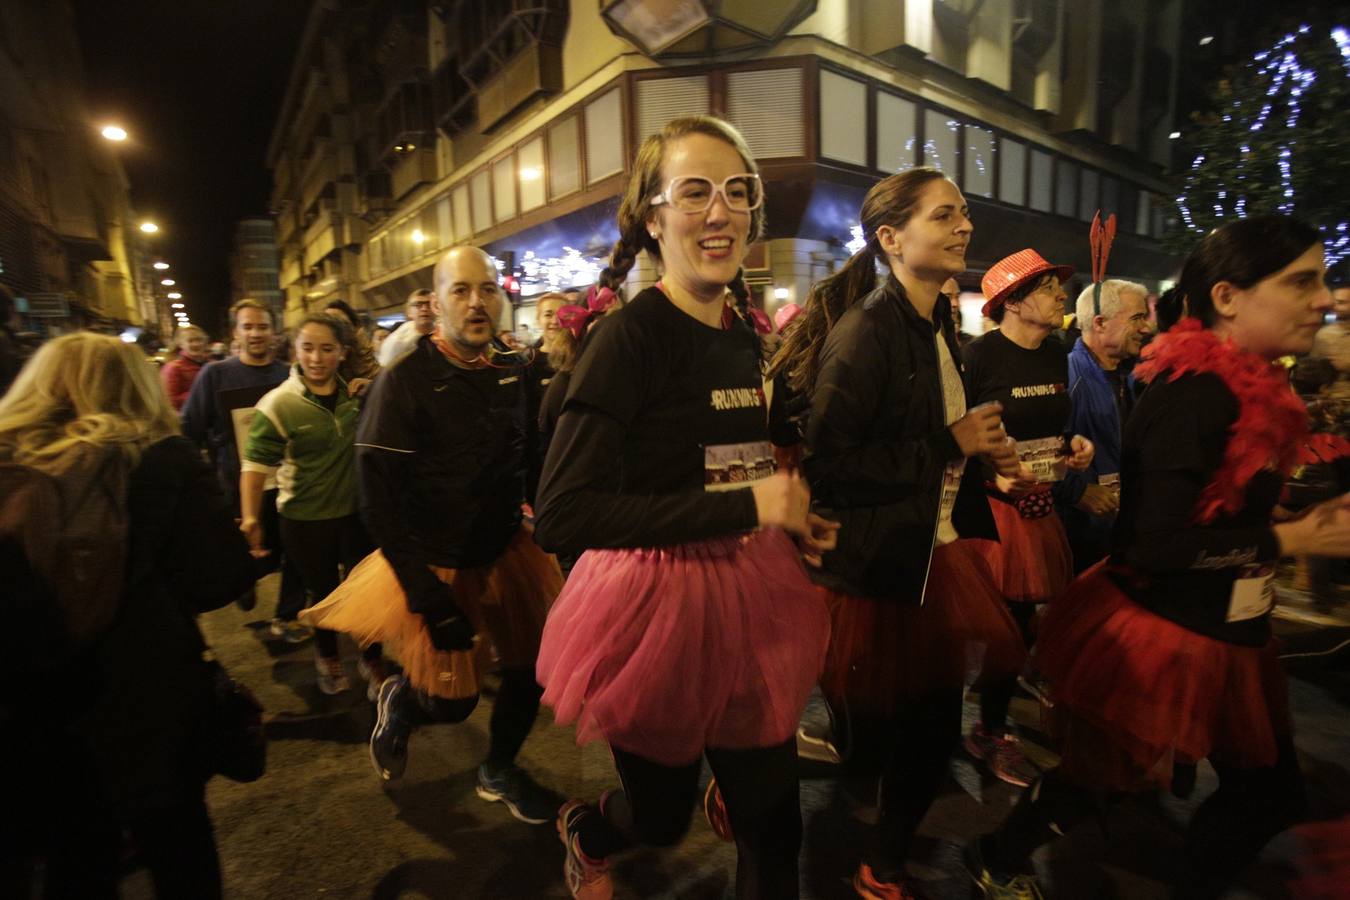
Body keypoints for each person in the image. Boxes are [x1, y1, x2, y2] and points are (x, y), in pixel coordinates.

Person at [968, 215, 1350, 899]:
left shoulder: (1250, 383)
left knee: (1265, 790)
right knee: (1098, 783)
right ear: (1229, 297)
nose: (1324, 299)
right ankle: (997, 852)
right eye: (1302, 282)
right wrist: (1291, 540)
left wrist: (1286, 511)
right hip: (1164, 632)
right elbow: (1157, 542)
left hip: (1228, 626)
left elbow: (1216, 498)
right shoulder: (1193, 390)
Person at [533, 115, 836, 900]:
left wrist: (785, 514)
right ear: (653, 216)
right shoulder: (628, 342)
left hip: (750, 596)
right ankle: (590, 830)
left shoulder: (742, 333)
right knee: (661, 821)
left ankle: (734, 792)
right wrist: (744, 506)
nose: (721, 210)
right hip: (649, 612)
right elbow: (565, 513)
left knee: (775, 823)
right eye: (695, 191)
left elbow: (722, 463)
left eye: (738, 192)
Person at [770, 167, 1025, 897]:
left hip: (929, 553)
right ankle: (855, 844)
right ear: (891, 237)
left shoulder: (938, 322)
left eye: (965, 213)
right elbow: (833, 462)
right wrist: (952, 443)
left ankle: (874, 850)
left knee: (916, 727)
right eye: (945, 215)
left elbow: (938, 437)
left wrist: (986, 461)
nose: (964, 226)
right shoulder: (868, 332)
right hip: (881, 566)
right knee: (906, 726)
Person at [299, 245, 564, 825]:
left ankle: (498, 769)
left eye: (487, 289)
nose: (476, 302)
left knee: (528, 673)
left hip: (506, 550)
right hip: (434, 562)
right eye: (461, 290)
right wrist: (423, 591)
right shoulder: (405, 382)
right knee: (453, 702)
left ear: (501, 295)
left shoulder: (514, 372)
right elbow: (378, 498)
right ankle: (402, 702)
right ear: (437, 301)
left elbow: (533, 459)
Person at [0, 332, 255, 898]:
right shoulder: (162, 456)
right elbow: (216, 579)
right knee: (178, 844)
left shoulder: (8, 454)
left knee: (74, 853)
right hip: (149, 690)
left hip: (36, 699)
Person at [960, 250, 1094, 789]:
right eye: (1048, 289)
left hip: (1039, 510)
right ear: (1012, 302)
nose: (1062, 296)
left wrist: (1073, 447)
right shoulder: (978, 357)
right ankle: (967, 734)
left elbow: (1051, 428)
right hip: (990, 515)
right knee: (978, 629)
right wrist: (992, 472)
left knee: (1015, 628)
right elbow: (955, 437)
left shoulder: (1057, 354)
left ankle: (990, 728)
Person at [240, 314, 387, 698]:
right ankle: (328, 658)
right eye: (307, 348)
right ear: (295, 351)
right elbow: (254, 467)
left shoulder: (357, 395)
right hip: (304, 520)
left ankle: (371, 659)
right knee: (322, 596)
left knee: (365, 595)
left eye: (327, 349)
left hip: (357, 516)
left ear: (343, 353)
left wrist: (374, 388)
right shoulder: (278, 404)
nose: (317, 358)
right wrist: (252, 516)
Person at [1058, 279, 1152, 573]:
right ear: (1099, 323)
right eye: (1137, 317)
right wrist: (1078, 492)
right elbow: (1040, 450)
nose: (1145, 328)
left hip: (1118, 530)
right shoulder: (1068, 378)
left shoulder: (1132, 377)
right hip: (1080, 537)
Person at [323, 298, 380, 385]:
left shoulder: (366, 360)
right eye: (326, 323)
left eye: (339, 323)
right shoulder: (316, 363)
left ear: (356, 328)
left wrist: (371, 387)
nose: (332, 328)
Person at [376, 288, 437, 366]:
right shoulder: (397, 342)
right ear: (409, 312)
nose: (424, 309)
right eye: (418, 305)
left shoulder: (446, 335)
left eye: (429, 304)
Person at [161, 324, 210, 412]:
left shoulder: (211, 365)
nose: (196, 344)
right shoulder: (173, 368)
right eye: (190, 341)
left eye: (199, 340)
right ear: (181, 344)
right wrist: (201, 393)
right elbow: (170, 401)